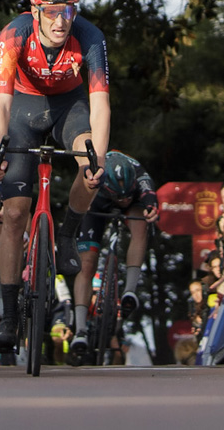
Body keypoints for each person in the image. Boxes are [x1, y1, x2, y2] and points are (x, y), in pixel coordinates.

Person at [0, 0, 109, 351]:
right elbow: (2, 102)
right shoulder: (14, 34)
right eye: (52, 11)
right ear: (36, 11)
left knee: (89, 162)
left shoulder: (90, 38)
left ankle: (68, 232)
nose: (61, 20)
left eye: (68, 10)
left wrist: (98, 160)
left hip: (67, 108)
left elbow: (100, 103)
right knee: (14, 214)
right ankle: (9, 318)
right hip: (23, 107)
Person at [68, 150, 156, 359]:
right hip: (98, 199)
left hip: (134, 197)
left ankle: (130, 290)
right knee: (87, 263)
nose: (123, 201)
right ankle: (80, 329)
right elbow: (76, 203)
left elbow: (150, 198)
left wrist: (151, 208)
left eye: (126, 196)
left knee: (140, 226)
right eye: (120, 197)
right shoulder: (92, 174)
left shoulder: (141, 176)